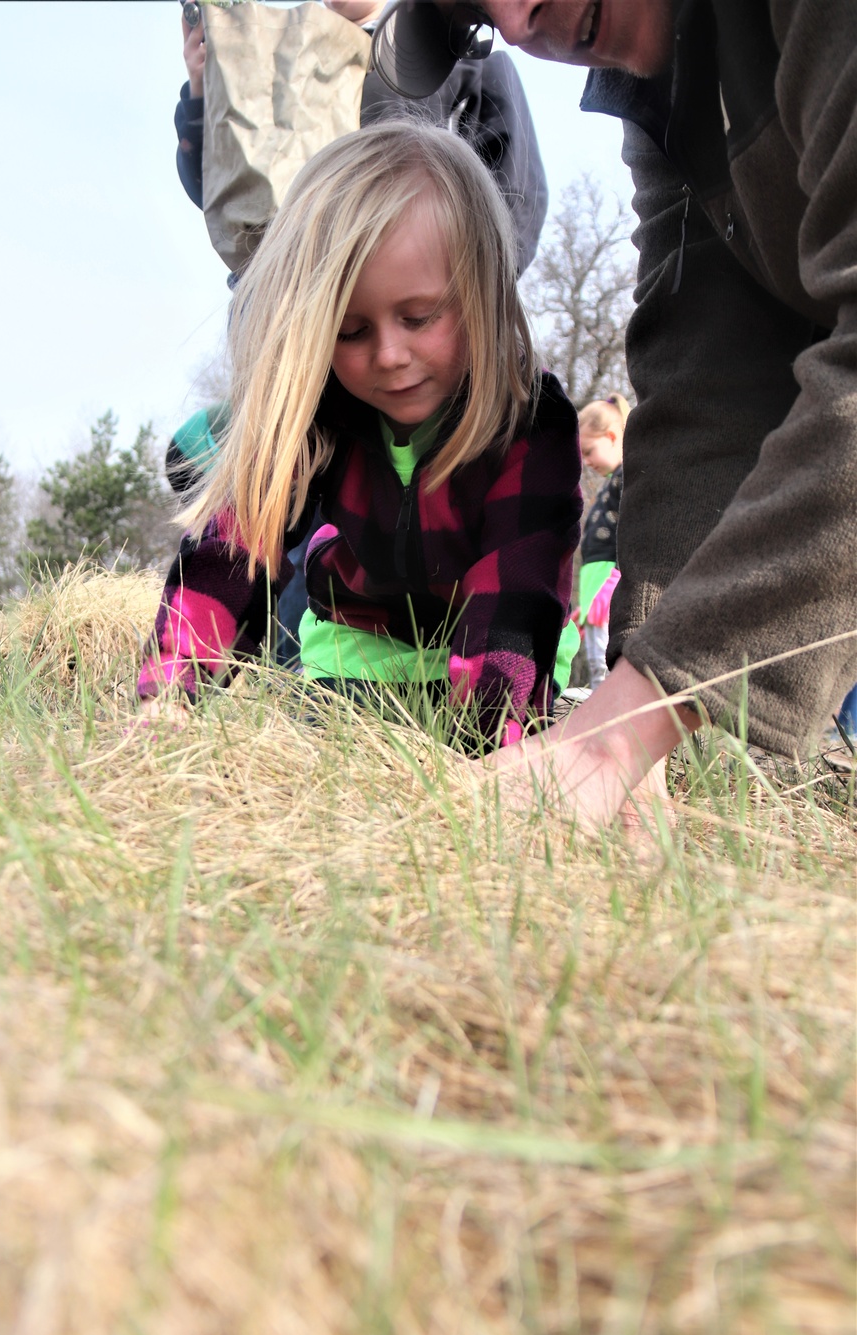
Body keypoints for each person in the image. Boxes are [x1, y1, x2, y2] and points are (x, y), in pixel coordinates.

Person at [370, 0, 857, 827]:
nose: (520, 23)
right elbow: (703, 380)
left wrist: (617, 735)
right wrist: (643, 715)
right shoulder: (666, 94)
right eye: (478, 16)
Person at [137, 122, 582, 745]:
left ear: (481, 290)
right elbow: (233, 553)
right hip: (346, 671)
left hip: (486, 674)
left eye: (419, 317)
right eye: (351, 331)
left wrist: (494, 741)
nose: (389, 354)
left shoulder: (527, 422)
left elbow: (518, 592)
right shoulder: (318, 415)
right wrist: (171, 689)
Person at [175, 0, 549, 277]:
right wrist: (203, 93)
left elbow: (518, 201)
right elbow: (225, 193)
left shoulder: (462, 58)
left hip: (423, 302)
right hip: (290, 307)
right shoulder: (277, 64)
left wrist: (458, 294)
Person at [576, 393, 628, 689]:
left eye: (589, 451)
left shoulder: (627, 478)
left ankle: (609, 722)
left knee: (604, 662)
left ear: (610, 437)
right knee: (597, 660)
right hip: (596, 588)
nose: (585, 462)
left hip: (609, 587)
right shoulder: (611, 483)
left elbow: (629, 536)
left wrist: (611, 585)